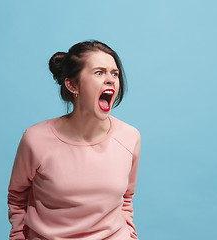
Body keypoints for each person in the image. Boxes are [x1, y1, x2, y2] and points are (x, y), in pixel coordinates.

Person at [7, 40, 141, 239]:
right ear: (72, 84)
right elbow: (17, 199)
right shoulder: (35, 139)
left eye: (114, 73)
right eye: (99, 72)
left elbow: (126, 199)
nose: (111, 79)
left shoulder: (129, 137)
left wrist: (131, 235)